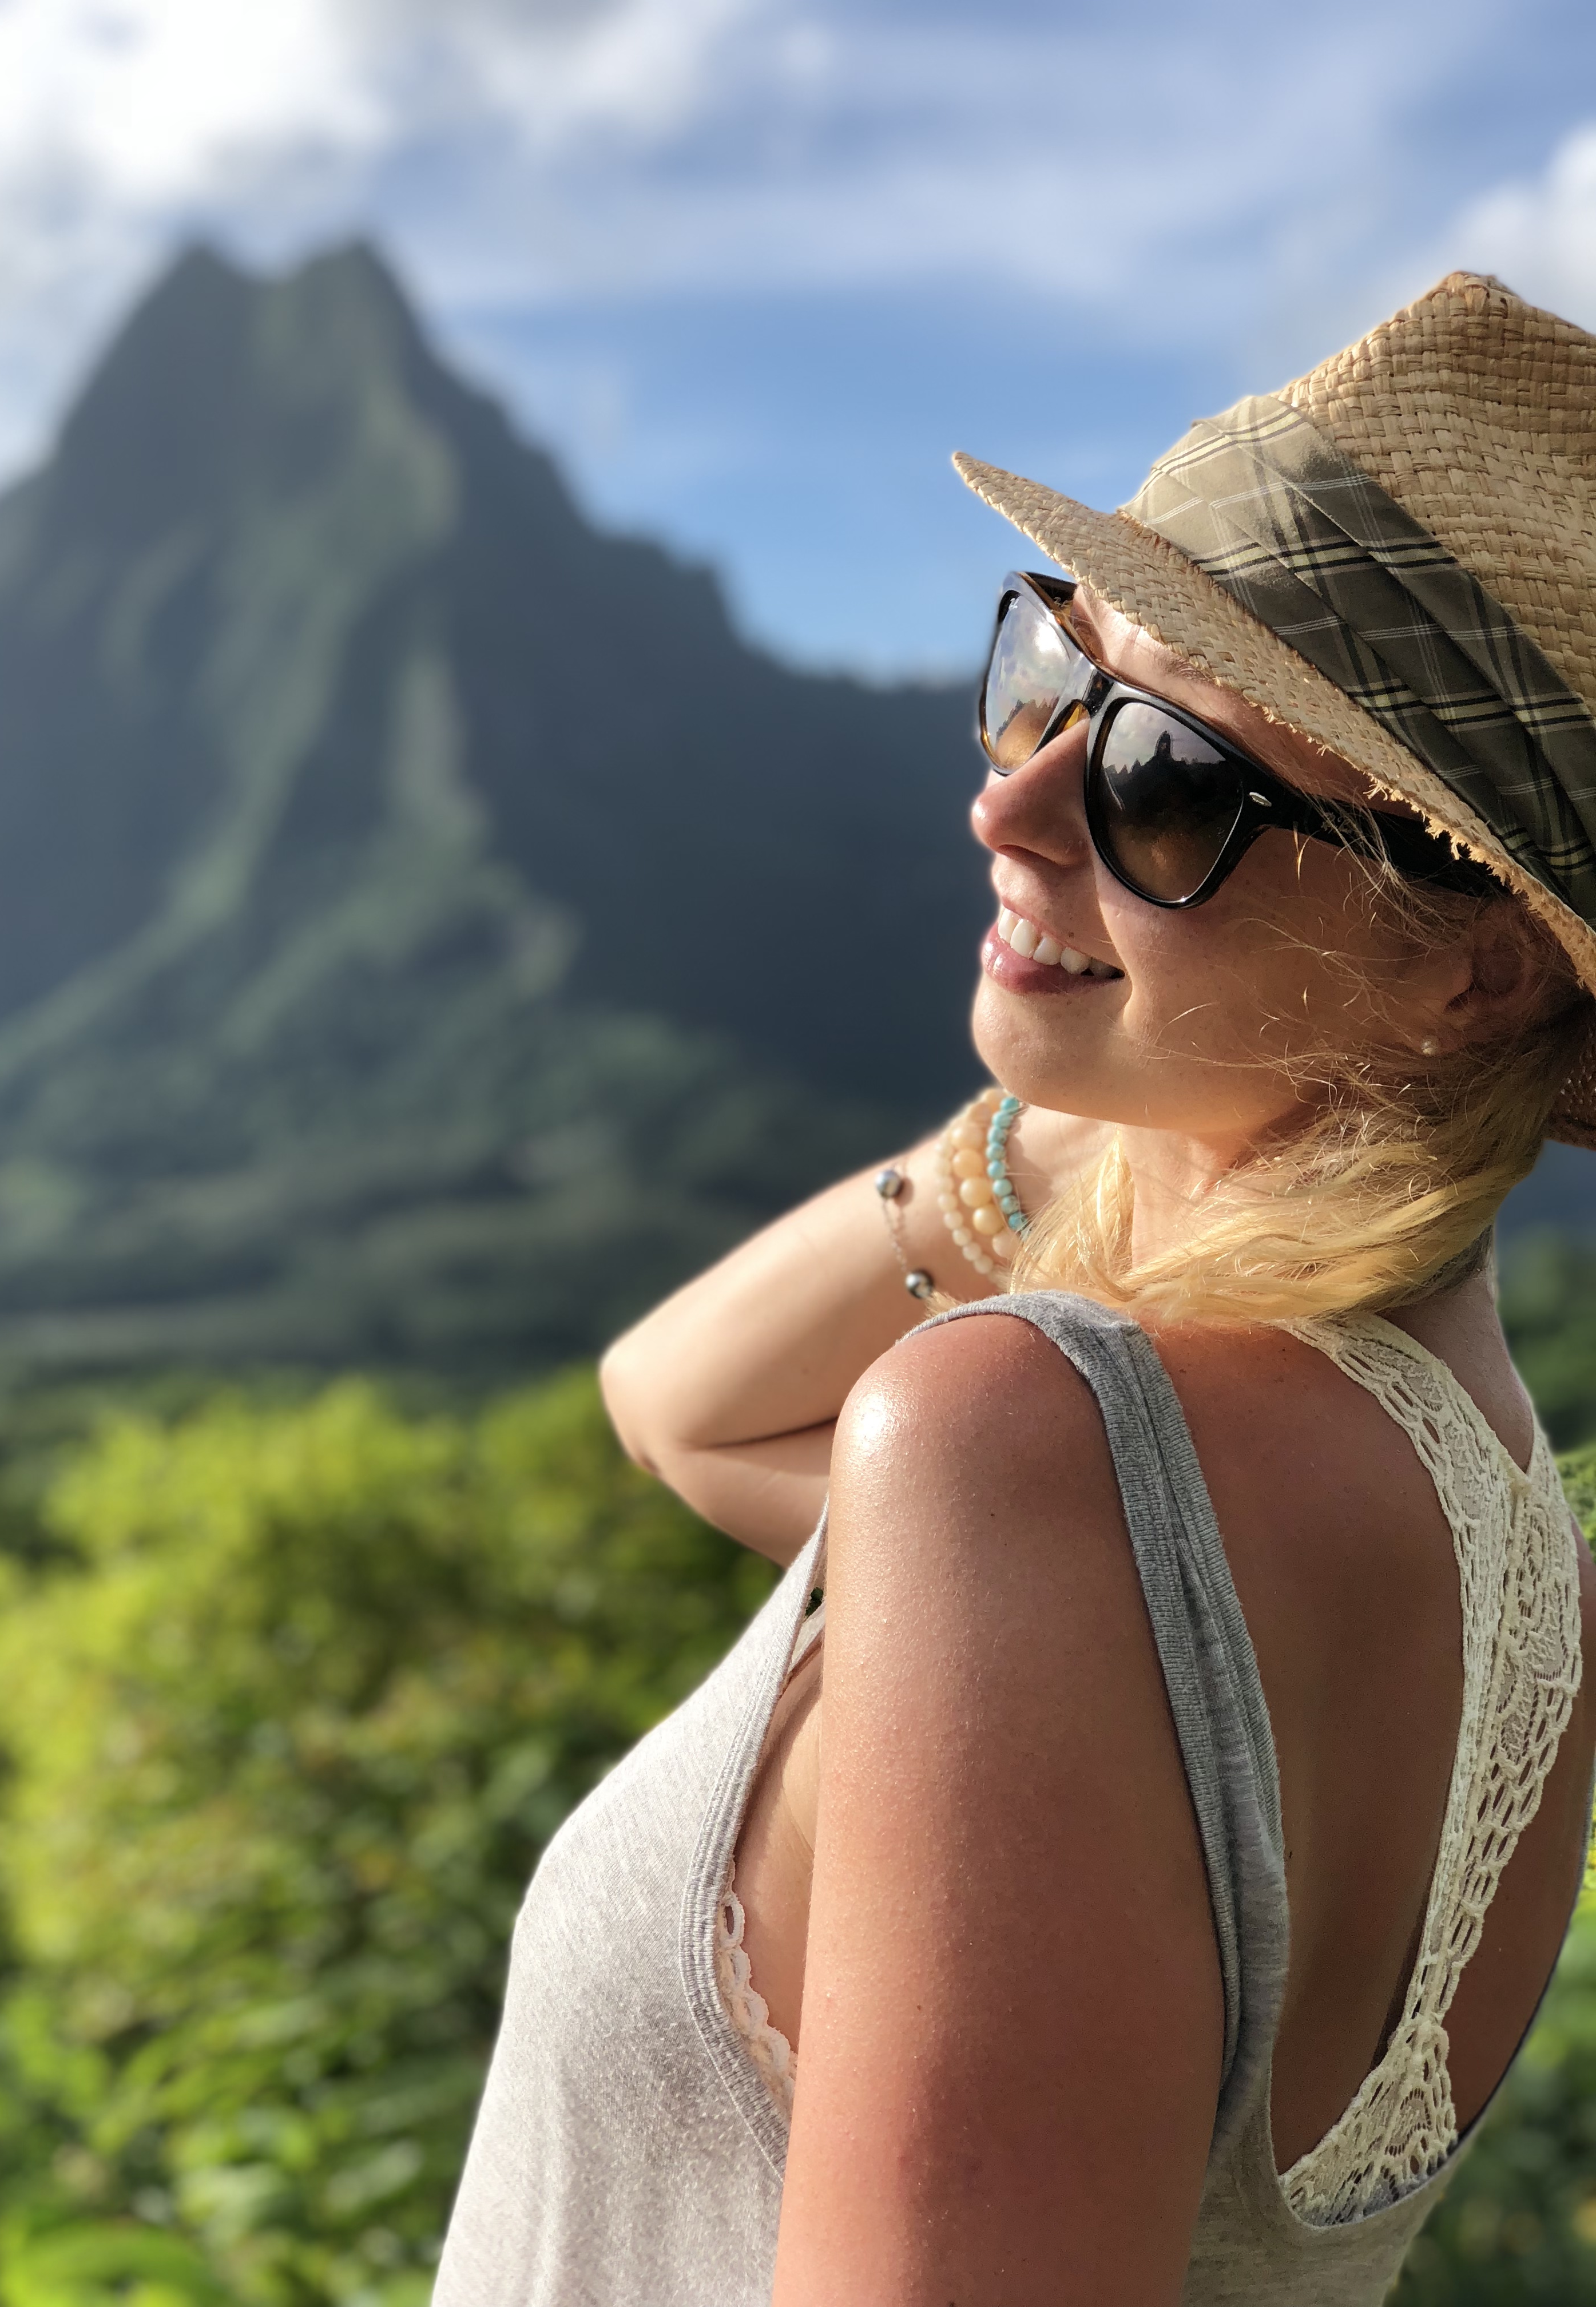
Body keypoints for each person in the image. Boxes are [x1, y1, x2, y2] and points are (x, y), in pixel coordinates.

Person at [433, 272, 1596, 2305]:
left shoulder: (1039, 1446)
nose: (1012, 796)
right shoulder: (1527, 1576)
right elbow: (678, 1405)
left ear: (1475, 966)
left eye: (1168, 779)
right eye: (1057, 670)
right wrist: (1110, 1117)